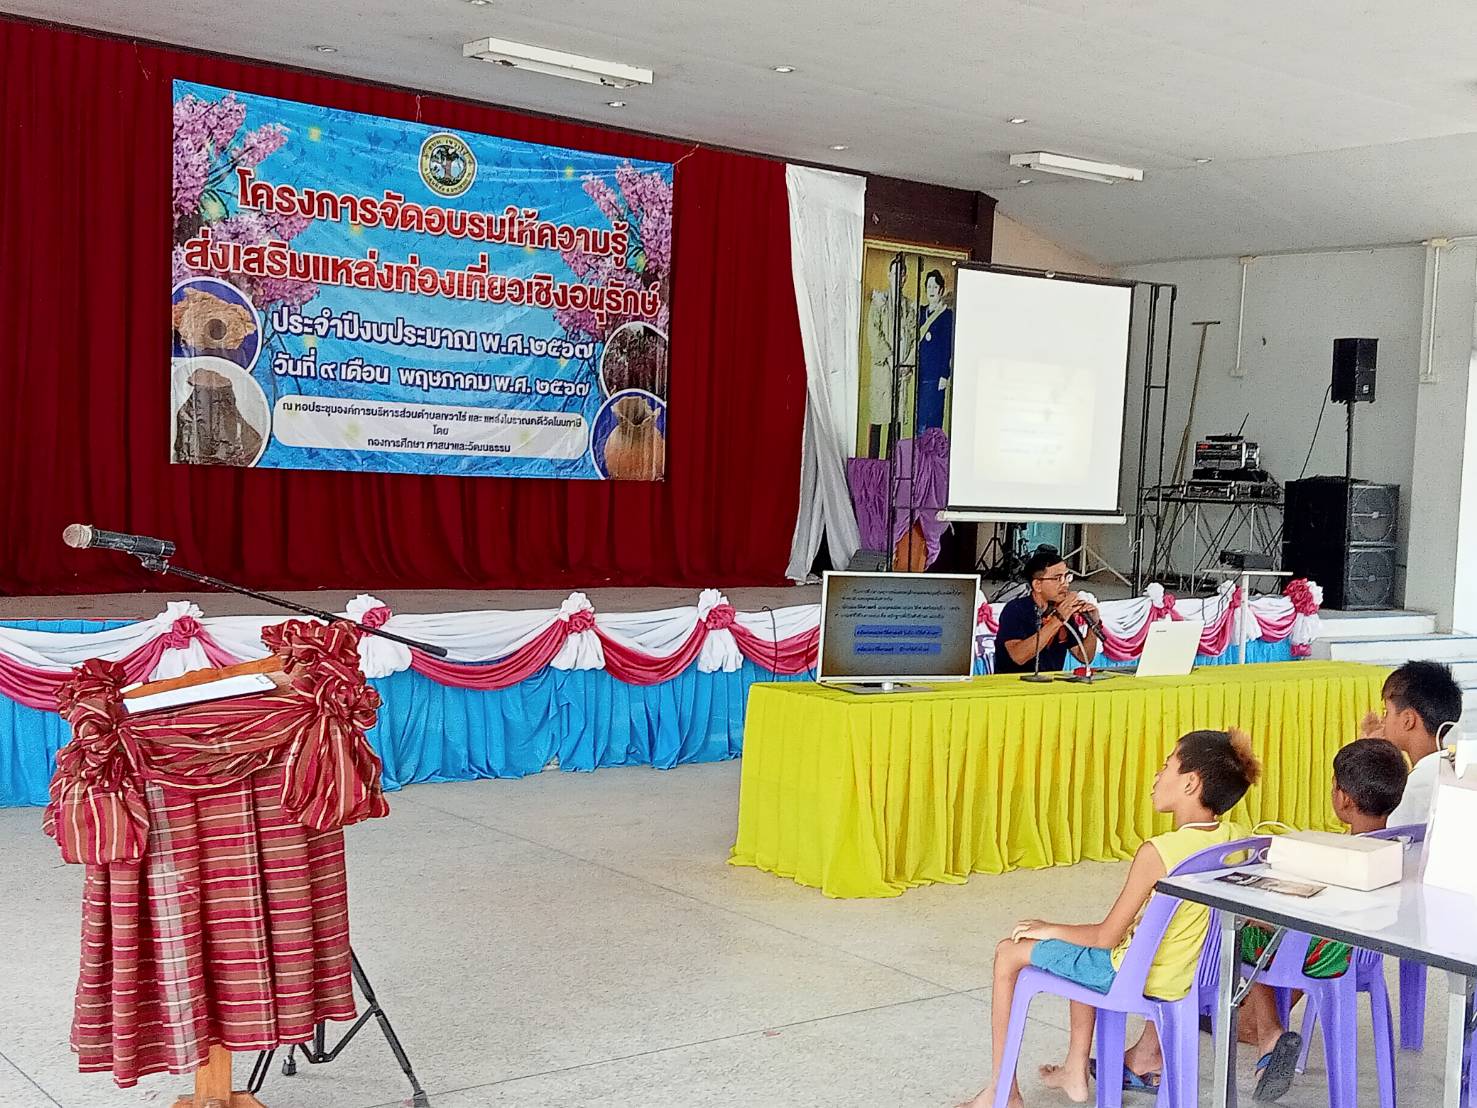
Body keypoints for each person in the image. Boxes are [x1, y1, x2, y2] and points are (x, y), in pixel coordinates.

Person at [957, 729, 1262, 1108]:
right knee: (1076, 949)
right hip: (1192, 977)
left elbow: (1105, 938)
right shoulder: (1238, 839)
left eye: (1166, 765)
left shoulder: (1159, 852)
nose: (1156, 776)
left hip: (1136, 975)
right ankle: (1074, 1070)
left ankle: (1002, 1094)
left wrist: (1048, 928)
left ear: (1190, 783)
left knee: (1010, 951)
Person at [1229, 737, 1410, 1102]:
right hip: (1362, 957)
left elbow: (1300, 911)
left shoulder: (1335, 857)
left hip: (1322, 957)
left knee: (1240, 930)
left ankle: (1269, 1030)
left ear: (1343, 798)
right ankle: (1262, 1029)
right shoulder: (1403, 847)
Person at [1366, 660, 1462, 826]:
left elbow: (1391, 840)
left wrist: (1366, 757)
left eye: (1386, 712)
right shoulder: (1455, 764)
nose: (1383, 721)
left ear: (1407, 720)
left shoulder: (1421, 783)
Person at [993, 546, 1101, 675]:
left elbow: (1084, 656)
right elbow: (1019, 657)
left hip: (1050, 685)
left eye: (1067, 577)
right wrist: (1058, 619)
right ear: (1037, 585)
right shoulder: (1015, 609)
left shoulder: (1061, 610)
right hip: (1013, 686)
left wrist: (1093, 625)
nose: (1065, 584)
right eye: (1057, 578)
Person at [865, 253, 917, 457]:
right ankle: (872, 469)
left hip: (901, 370)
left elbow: (914, 337)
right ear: (889, 275)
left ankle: (891, 466)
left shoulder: (909, 307)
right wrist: (888, 356)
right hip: (883, 369)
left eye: (901, 274)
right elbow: (873, 332)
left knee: (896, 422)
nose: (898, 277)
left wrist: (907, 362)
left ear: (905, 277)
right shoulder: (880, 302)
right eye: (894, 273)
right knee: (879, 418)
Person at [915, 269, 955, 433]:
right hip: (921, 374)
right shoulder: (921, 312)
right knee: (920, 419)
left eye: (934, 286)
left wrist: (945, 375)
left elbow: (948, 347)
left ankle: (930, 458)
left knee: (933, 420)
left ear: (941, 289)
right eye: (929, 286)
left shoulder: (947, 315)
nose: (931, 290)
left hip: (936, 376)